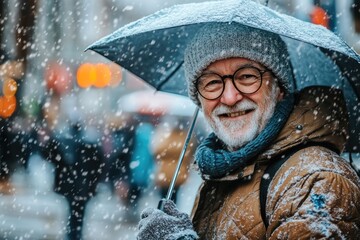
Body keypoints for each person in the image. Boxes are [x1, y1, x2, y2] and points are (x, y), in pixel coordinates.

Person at [136, 23, 360, 239]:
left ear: (279, 88)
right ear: (199, 99)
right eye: (212, 82)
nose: (230, 97)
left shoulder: (315, 179)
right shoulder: (223, 171)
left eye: (247, 77)